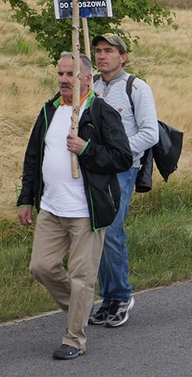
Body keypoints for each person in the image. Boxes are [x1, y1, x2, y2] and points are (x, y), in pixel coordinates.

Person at [17, 52, 132, 360]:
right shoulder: (49, 111)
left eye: (70, 74)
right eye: (60, 73)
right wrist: (26, 198)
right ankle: (80, 307)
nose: (63, 79)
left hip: (86, 213)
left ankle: (74, 339)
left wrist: (87, 149)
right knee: (41, 266)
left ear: (86, 78)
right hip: (51, 208)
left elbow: (123, 158)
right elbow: (33, 158)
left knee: (81, 277)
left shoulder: (100, 112)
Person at [88, 34, 158, 327]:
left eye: (109, 51)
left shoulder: (136, 88)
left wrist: (116, 152)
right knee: (98, 232)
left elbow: (150, 133)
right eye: (98, 51)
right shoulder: (91, 86)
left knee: (112, 230)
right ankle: (108, 298)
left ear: (123, 56)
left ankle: (121, 295)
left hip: (123, 170)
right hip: (95, 168)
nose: (102, 56)